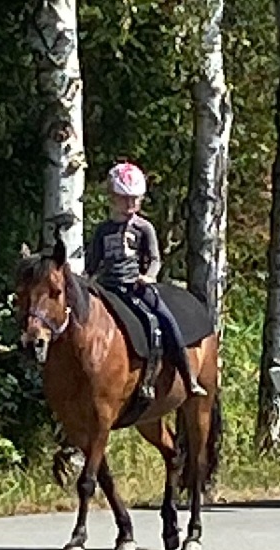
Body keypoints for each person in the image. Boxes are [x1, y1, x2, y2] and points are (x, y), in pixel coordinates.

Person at [85, 161, 207, 397]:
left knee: (163, 319)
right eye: (124, 199)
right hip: (108, 287)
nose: (130, 205)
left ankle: (187, 376)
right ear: (112, 197)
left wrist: (148, 277)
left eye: (135, 199)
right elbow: (93, 262)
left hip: (136, 286)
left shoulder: (144, 228)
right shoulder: (103, 230)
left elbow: (154, 259)